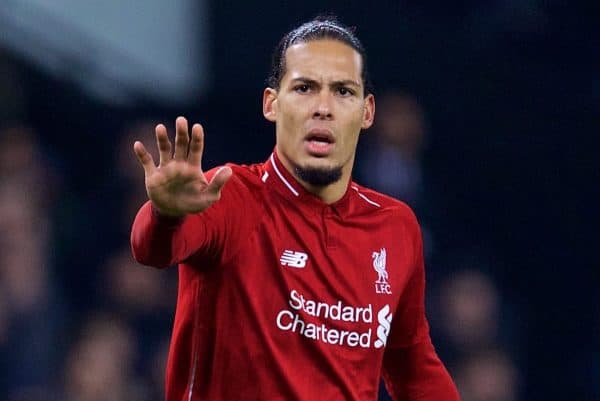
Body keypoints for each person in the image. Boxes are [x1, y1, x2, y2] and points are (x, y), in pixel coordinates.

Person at [131, 16, 459, 401]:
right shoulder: (232, 195)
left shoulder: (395, 226)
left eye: (343, 91)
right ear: (272, 103)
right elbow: (152, 249)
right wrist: (166, 215)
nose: (323, 107)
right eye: (304, 88)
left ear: (367, 112)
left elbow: (413, 365)